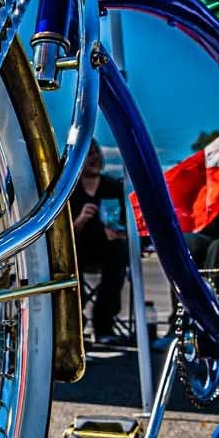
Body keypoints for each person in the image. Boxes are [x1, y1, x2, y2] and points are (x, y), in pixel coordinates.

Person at [70, 140, 130, 344]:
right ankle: (74, 324)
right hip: (77, 248)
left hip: (106, 248)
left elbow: (126, 223)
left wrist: (120, 232)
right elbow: (62, 233)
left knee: (119, 251)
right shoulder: (70, 190)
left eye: (97, 152)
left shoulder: (113, 187)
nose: (94, 157)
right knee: (69, 259)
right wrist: (80, 220)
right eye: (88, 154)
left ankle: (103, 323)